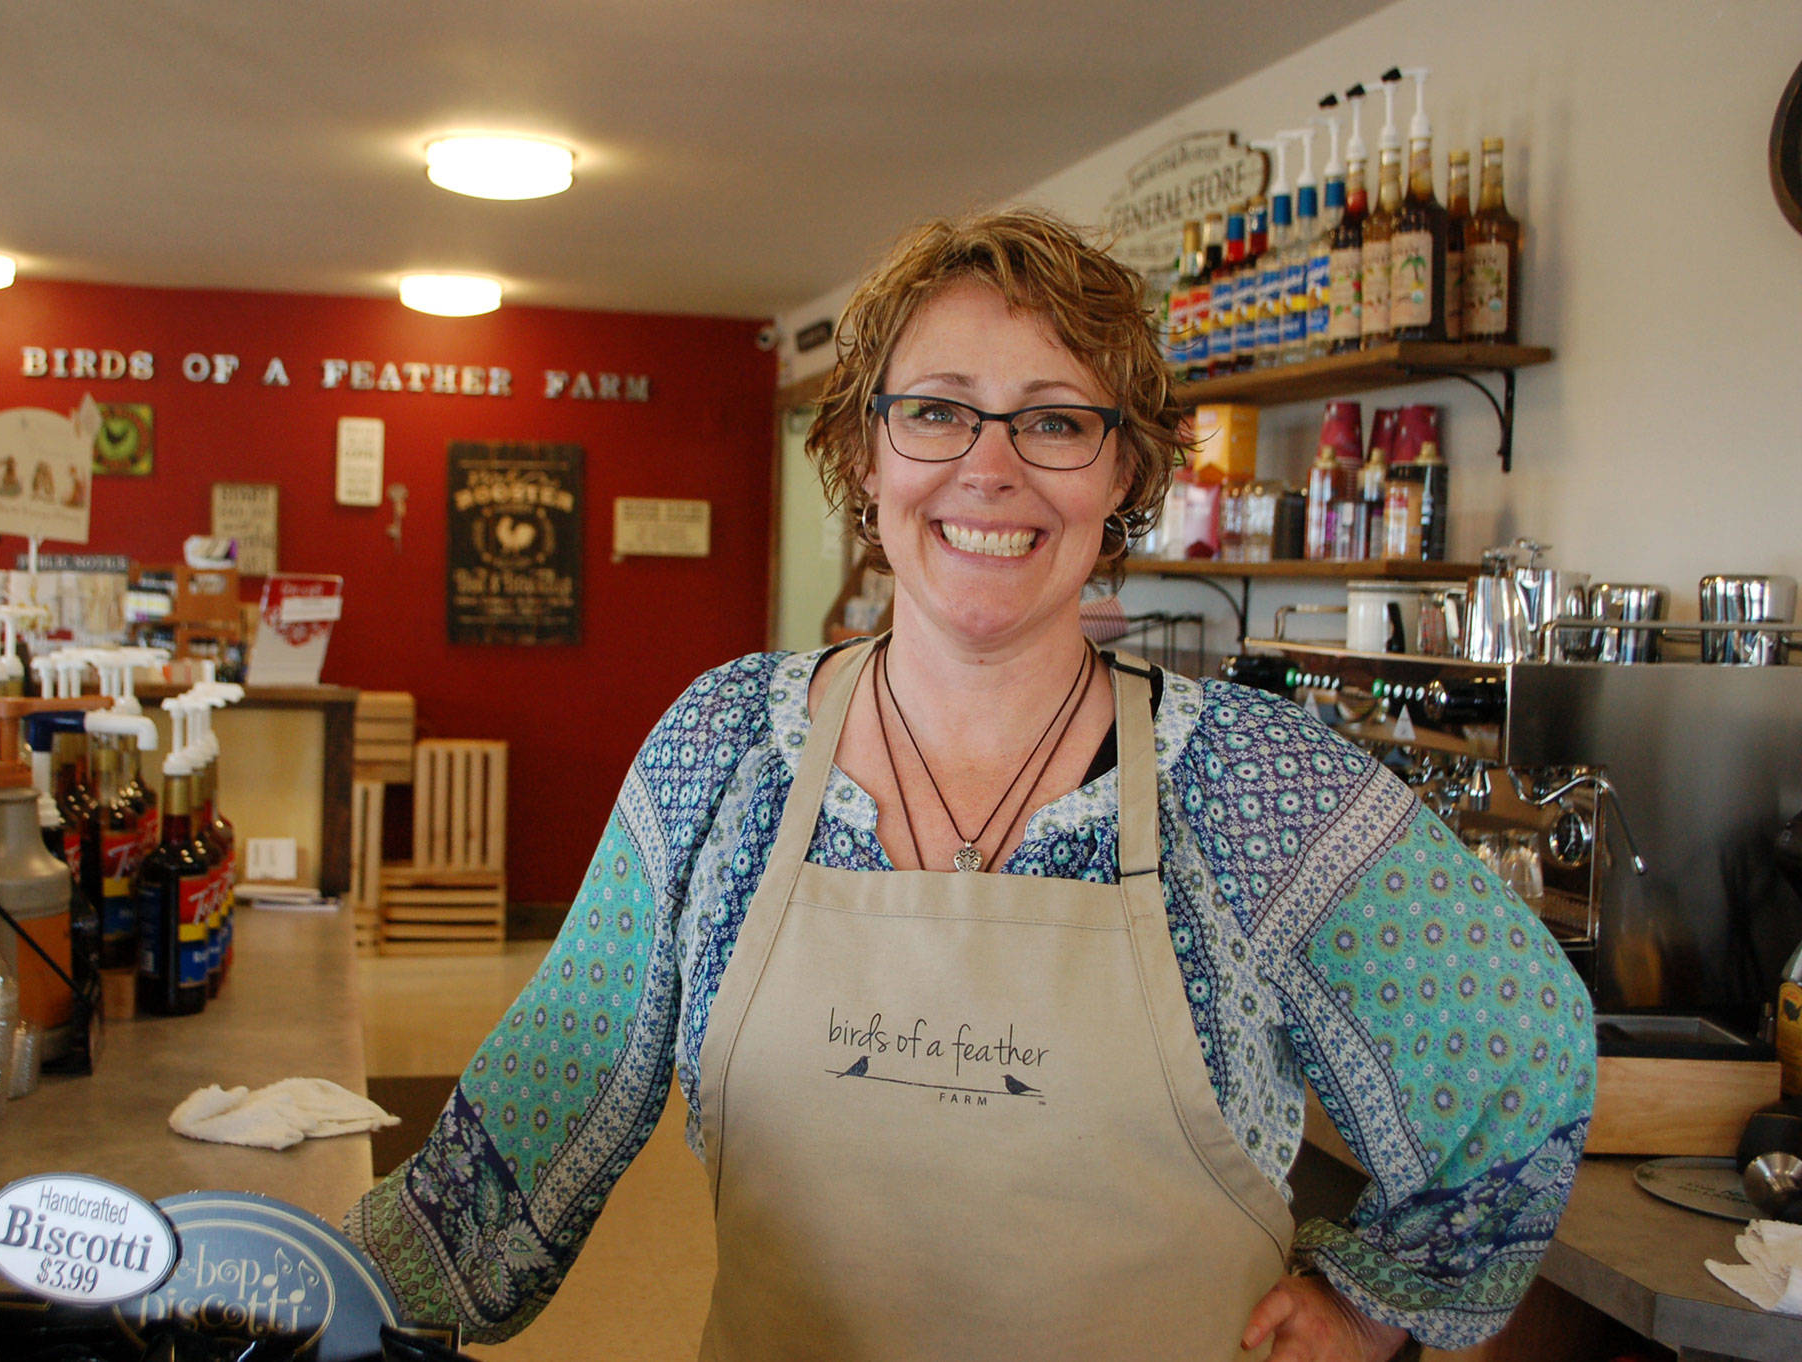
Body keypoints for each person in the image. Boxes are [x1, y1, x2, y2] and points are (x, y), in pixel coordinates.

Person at [347, 209, 1595, 1361]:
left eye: (1055, 420)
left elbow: (1518, 1051)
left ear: (1123, 476)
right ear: (861, 451)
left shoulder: (1251, 784)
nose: (988, 469)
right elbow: (547, 1093)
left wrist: (1377, 1305)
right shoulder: (722, 747)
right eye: (936, 412)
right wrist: (328, 1299)